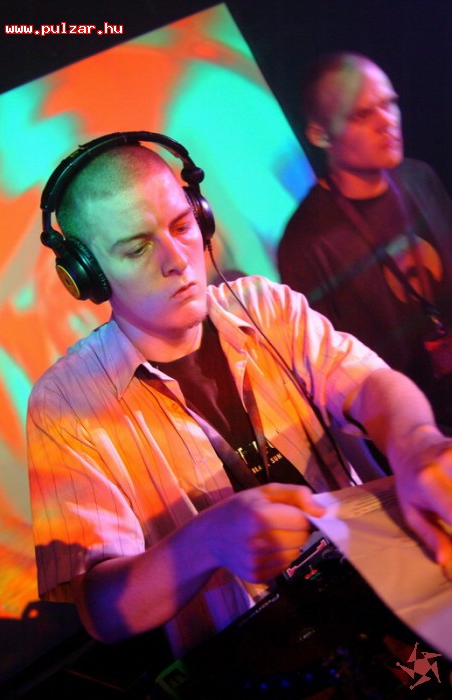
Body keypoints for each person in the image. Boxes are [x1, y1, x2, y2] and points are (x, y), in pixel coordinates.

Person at [27, 132, 452, 664]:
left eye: (182, 226)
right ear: (86, 274)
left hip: (383, 600)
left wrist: (417, 442)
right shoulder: (64, 403)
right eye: (137, 248)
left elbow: (370, 385)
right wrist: (203, 543)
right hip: (257, 662)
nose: (177, 260)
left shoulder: (264, 306)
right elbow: (104, 613)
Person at [277, 51, 452, 434]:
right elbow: (334, 371)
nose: (386, 121)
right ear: (320, 134)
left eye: (389, 104)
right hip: (416, 431)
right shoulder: (305, 243)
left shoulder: (419, 177)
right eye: (361, 115)